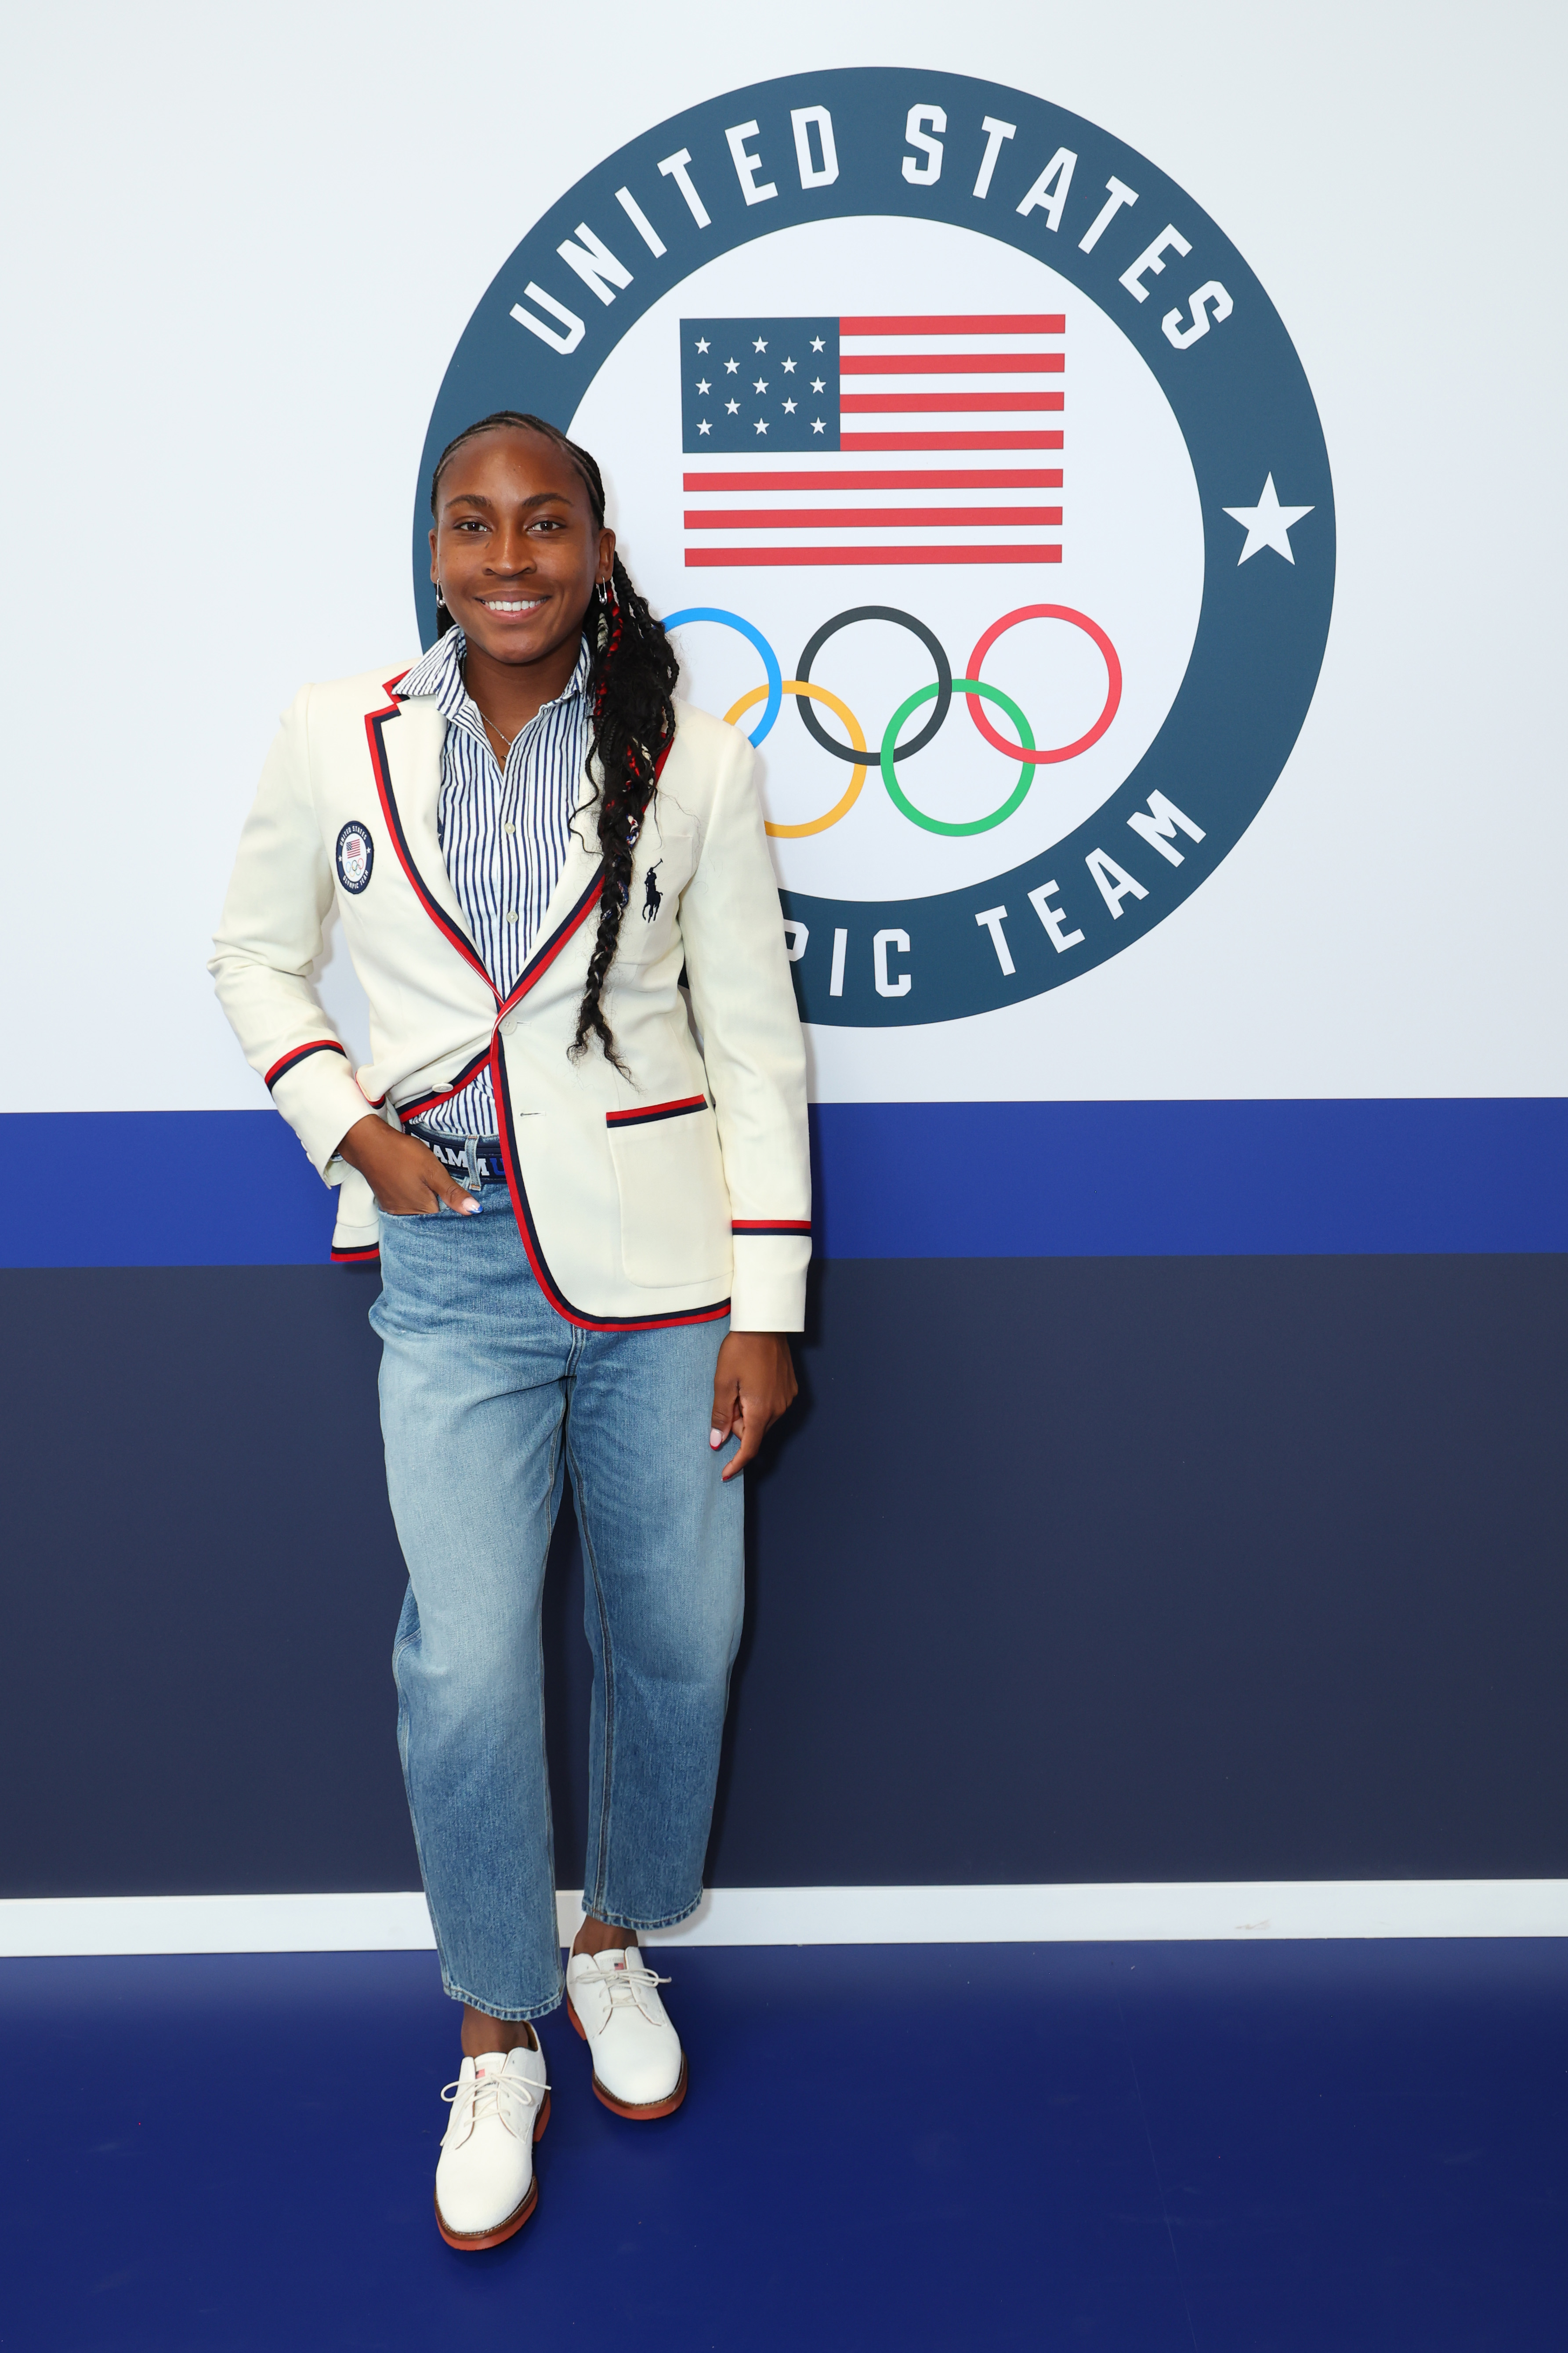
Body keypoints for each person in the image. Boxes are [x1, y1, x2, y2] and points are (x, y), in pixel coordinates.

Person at [210, 412, 810, 2249]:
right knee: (464, 1665)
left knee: (681, 1636)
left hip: (662, 1267)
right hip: (451, 1263)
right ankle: (497, 2023)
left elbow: (756, 1047)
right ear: (432, 546)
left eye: (543, 521)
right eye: (470, 523)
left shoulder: (689, 759)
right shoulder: (336, 732)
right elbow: (252, 951)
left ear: (598, 544)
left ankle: (612, 1937)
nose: (507, 554)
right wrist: (349, 1123)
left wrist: (766, 1303)